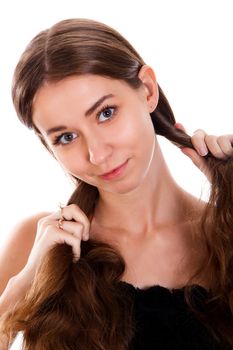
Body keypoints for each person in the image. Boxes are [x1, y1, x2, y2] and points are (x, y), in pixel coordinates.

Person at [0, 18, 233, 350]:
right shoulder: (37, 246)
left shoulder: (223, 234)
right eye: (66, 137)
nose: (97, 153)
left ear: (148, 91)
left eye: (106, 113)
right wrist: (22, 288)